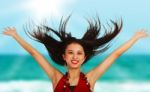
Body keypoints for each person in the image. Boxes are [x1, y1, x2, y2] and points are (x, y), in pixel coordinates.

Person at [3, 17, 149, 92]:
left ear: (84, 58)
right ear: (64, 56)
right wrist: (16, 36)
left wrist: (134, 38)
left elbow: (115, 54)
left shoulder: (90, 79)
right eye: (71, 53)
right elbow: (34, 53)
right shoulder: (56, 77)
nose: (75, 56)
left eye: (79, 53)